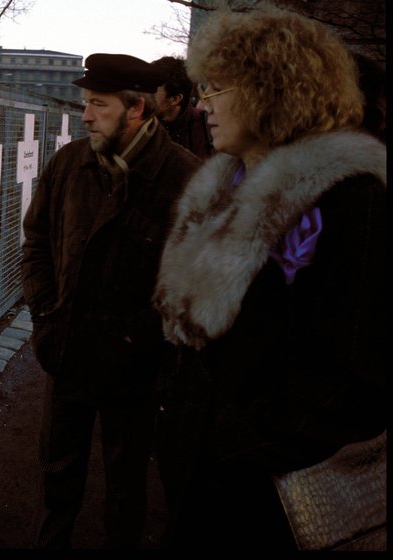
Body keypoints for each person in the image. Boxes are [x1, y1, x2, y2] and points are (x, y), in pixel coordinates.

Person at [151, 5, 386, 550]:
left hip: (268, 502)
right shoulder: (223, 190)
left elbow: (356, 381)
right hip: (201, 479)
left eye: (220, 88)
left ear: (272, 88)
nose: (204, 103)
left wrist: (230, 443)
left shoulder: (353, 201)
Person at [21, 53, 202, 549]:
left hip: (136, 371)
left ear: (136, 109)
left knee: (126, 490)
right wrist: (44, 314)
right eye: (85, 103)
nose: (85, 115)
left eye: (97, 105)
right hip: (66, 352)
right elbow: (35, 240)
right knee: (56, 478)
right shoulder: (68, 164)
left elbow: (192, 284)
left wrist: (134, 338)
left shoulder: (186, 180)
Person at [150, 56, 212, 158]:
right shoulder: (146, 126)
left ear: (175, 99)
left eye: (153, 91)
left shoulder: (206, 130)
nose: (145, 96)